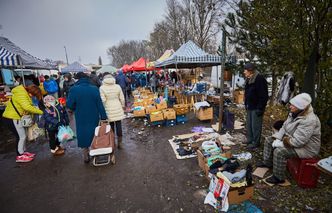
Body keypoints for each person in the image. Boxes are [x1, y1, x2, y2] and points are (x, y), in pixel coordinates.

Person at [257, 93, 321, 184]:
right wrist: (278, 138)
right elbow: (284, 126)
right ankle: (268, 162)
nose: (290, 106)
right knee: (269, 140)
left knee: (279, 152)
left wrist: (281, 143)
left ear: (300, 107)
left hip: (306, 148)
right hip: (293, 140)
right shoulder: (294, 113)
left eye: (293, 105)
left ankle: (279, 178)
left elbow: (299, 142)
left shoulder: (309, 120)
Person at [66, 72, 107, 163]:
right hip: (94, 115)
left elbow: (69, 104)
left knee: (83, 133)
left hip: (81, 116)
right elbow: (100, 104)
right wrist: (104, 117)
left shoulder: (74, 89)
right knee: (94, 132)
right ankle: (95, 152)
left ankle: (86, 155)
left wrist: (73, 108)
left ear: (78, 79)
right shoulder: (94, 88)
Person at [2, 84, 43, 163]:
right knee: (21, 136)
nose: (32, 97)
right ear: (30, 92)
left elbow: (28, 106)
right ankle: (20, 155)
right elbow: (27, 107)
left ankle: (23, 152)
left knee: (22, 136)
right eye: (34, 95)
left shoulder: (23, 93)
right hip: (12, 118)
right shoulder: (21, 94)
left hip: (16, 118)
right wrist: (41, 112)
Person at [243, 63, 268, 149]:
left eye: (245, 70)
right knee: (249, 125)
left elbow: (264, 96)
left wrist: (260, 108)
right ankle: (250, 139)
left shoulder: (259, 79)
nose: (244, 72)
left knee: (255, 126)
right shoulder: (249, 79)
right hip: (250, 106)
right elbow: (247, 93)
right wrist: (246, 103)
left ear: (250, 71)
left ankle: (255, 142)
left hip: (256, 107)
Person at [99, 74, 125, 148]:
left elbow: (103, 100)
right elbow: (122, 98)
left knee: (111, 126)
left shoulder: (102, 88)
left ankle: (112, 142)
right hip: (117, 106)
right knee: (118, 124)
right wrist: (123, 106)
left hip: (108, 108)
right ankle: (120, 143)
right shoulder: (117, 86)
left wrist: (103, 110)